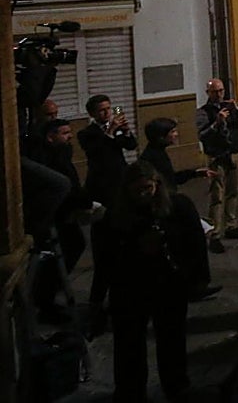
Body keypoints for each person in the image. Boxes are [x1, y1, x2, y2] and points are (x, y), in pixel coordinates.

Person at [96, 161, 200, 402]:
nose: (143, 195)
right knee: (129, 343)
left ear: (157, 185)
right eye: (138, 191)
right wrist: (98, 297)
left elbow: (193, 243)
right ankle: (131, 391)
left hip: (168, 284)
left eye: (148, 189)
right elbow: (105, 259)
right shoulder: (115, 215)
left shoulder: (178, 206)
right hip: (130, 287)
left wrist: (195, 277)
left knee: (171, 339)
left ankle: (176, 384)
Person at [140, 117, 222, 301]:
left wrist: (194, 173)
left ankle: (193, 284)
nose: (176, 135)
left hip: (171, 204)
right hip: (169, 208)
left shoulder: (158, 153)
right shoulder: (152, 157)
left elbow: (170, 178)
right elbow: (164, 184)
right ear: (161, 137)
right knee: (191, 243)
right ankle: (194, 285)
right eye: (172, 132)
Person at [77, 93, 138, 335]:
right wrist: (109, 132)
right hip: (102, 192)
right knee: (104, 250)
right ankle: (96, 308)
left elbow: (130, 146)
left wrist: (126, 132)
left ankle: (122, 299)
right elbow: (98, 154)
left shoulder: (115, 127)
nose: (106, 114)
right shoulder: (87, 134)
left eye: (108, 109)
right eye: (101, 111)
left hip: (120, 188)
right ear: (92, 113)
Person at [28, 115, 96, 323]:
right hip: (57, 217)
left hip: (64, 214)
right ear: (50, 137)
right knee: (69, 247)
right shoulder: (53, 158)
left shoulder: (60, 154)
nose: (69, 138)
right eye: (65, 134)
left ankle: (46, 297)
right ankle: (45, 299)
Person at [194, 78, 238, 253]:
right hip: (217, 157)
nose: (219, 94)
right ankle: (214, 233)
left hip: (235, 153)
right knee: (217, 195)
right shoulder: (203, 112)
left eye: (221, 90)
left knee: (233, 191)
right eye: (215, 92)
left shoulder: (230, 107)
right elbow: (202, 135)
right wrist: (217, 123)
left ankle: (231, 225)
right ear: (208, 93)